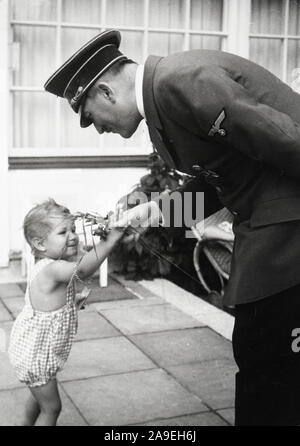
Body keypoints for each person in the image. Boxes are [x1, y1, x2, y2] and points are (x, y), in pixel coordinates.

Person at [44, 29, 300, 425]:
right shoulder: (164, 100)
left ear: (107, 93)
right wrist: (158, 211)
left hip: (285, 231)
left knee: (268, 365)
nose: (97, 129)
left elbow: (286, 140)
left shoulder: (181, 81)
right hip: (268, 229)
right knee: (260, 360)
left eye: (90, 116)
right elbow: (224, 177)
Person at [8, 198, 156, 426]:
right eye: (63, 232)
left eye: (74, 229)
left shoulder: (50, 264)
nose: (73, 236)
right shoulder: (52, 269)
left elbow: (56, 292)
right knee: (51, 407)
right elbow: (84, 269)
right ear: (40, 244)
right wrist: (112, 238)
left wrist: (71, 301)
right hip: (37, 355)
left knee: (38, 397)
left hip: (35, 351)